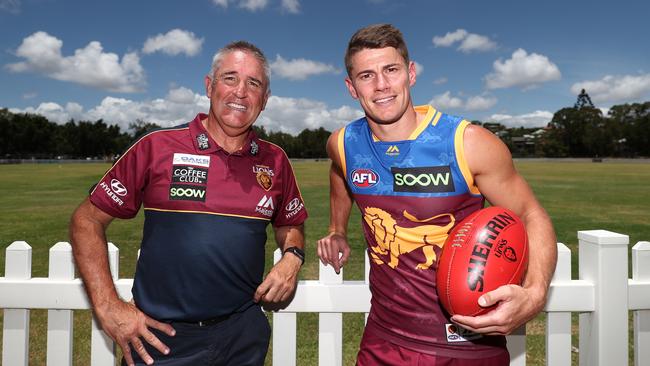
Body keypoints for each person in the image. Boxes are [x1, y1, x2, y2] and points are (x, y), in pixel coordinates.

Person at [317, 24, 557, 365]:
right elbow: (340, 173)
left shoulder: (467, 143)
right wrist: (336, 229)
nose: (381, 85)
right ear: (351, 87)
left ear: (410, 73)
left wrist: (534, 295)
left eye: (391, 70)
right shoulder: (343, 143)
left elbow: (532, 214)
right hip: (384, 339)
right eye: (366, 75)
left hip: (468, 343)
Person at [70, 41, 308, 366]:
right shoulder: (156, 146)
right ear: (209, 86)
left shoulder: (274, 160)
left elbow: (289, 223)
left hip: (242, 336)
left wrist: (292, 257)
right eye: (230, 78)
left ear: (264, 100)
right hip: (161, 341)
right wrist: (108, 305)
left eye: (254, 83)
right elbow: (86, 220)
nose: (241, 92)